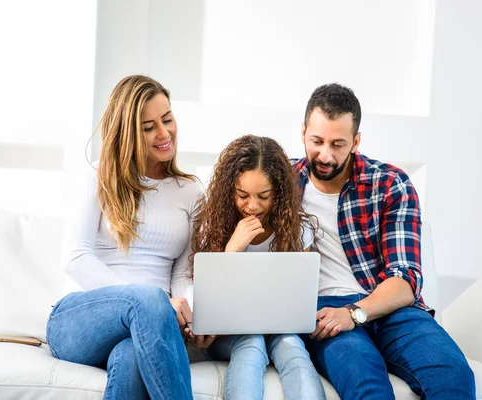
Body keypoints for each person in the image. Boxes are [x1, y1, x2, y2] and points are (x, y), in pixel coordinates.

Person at [294, 83, 476, 399]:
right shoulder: (284, 183)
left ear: (356, 141)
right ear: (303, 132)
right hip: (324, 312)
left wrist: (354, 313)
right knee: (367, 385)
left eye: (338, 144)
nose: (325, 154)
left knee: (454, 375)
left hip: (390, 308)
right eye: (317, 141)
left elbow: (405, 279)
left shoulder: (389, 183)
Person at [46, 75, 213, 400]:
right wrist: (157, 302)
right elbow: (75, 256)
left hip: (151, 323)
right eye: (149, 126)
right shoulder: (98, 176)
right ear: (127, 132)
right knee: (149, 298)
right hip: (79, 320)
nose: (164, 133)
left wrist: (191, 314)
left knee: (132, 356)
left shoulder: (190, 192)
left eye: (167, 119)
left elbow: (180, 273)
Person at [190, 135, 326, 400]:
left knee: (293, 348)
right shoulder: (214, 227)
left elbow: (301, 297)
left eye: (263, 196)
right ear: (230, 191)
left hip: (279, 329)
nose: (252, 206)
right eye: (242, 195)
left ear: (279, 193)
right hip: (229, 334)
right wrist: (233, 250)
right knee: (251, 344)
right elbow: (209, 303)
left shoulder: (298, 230)